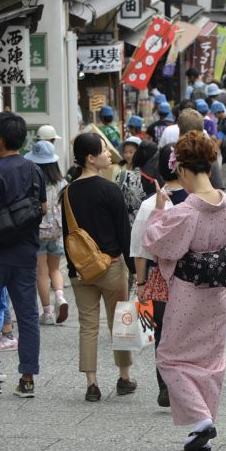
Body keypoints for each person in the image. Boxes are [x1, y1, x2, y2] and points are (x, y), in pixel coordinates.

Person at [143, 132, 226, 451]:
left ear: (185, 171)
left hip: (188, 292)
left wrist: (159, 210)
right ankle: (198, 431)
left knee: (171, 357)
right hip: (219, 293)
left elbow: (159, 243)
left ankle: (202, 418)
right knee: (210, 359)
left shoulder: (185, 212)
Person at [0, 112, 46, 399]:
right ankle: (27, 379)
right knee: (27, 315)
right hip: (26, 252)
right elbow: (41, 207)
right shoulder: (34, 169)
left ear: (0, 138)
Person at [61, 132, 137, 402]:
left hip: (82, 270)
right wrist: (134, 268)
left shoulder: (67, 192)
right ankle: (124, 377)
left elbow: (67, 236)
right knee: (120, 323)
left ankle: (91, 383)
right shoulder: (110, 189)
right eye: (104, 151)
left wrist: (72, 268)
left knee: (88, 326)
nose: (109, 154)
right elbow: (124, 233)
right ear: (91, 159)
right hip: (112, 266)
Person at [131, 144, 189, 408]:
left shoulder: (149, 205)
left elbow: (140, 250)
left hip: (159, 277)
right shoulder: (197, 202)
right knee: (189, 332)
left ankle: (165, 385)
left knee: (164, 331)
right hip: (192, 276)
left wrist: (141, 283)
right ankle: (186, 384)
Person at [24, 141, 69, 326]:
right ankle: (60, 296)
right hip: (57, 231)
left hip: (37, 232)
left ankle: (48, 312)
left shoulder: (30, 181)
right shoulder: (62, 182)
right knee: (55, 269)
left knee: (41, 273)